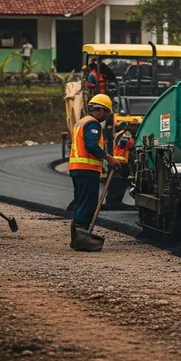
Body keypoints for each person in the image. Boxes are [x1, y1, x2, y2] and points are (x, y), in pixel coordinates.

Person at [69, 94, 120, 251]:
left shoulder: (81, 122)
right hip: (87, 170)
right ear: (101, 110)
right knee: (88, 202)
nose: (106, 116)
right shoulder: (93, 124)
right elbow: (91, 146)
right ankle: (83, 237)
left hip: (77, 169)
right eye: (106, 113)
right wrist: (109, 158)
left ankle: (76, 237)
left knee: (81, 201)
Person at [104, 121, 135, 209]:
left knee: (114, 183)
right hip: (120, 163)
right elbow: (126, 145)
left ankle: (111, 201)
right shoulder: (125, 135)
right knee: (119, 183)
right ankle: (115, 202)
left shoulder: (117, 134)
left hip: (116, 161)